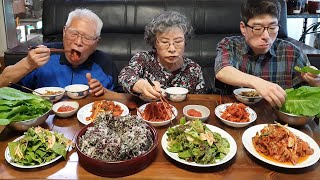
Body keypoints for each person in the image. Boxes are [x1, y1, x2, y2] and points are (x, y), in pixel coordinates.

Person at [214, 0, 320, 107]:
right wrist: (258, 83)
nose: (266, 36)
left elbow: (310, 97)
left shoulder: (292, 53)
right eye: (258, 28)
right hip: (235, 115)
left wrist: (316, 81)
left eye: (272, 28)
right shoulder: (230, 45)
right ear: (243, 28)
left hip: (278, 121)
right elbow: (222, 71)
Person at [0, 8, 119, 96]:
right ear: (64, 32)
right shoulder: (43, 55)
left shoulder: (105, 62)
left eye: (87, 37)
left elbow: (124, 100)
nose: (78, 42)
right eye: (73, 33)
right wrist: (27, 64)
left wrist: (105, 93)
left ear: (97, 42)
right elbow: (3, 85)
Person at [118, 11, 205, 101]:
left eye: (178, 41)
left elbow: (200, 102)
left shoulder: (194, 69)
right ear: (155, 43)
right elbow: (125, 75)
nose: (172, 49)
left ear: (185, 42)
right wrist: (140, 84)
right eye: (164, 42)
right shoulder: (143, 59)